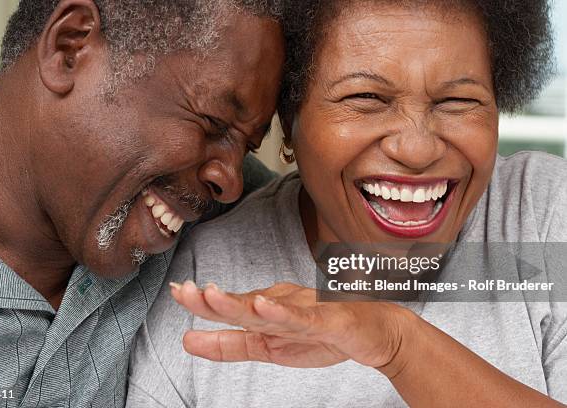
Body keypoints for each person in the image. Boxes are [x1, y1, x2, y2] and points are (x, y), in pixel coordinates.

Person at [127, 0, 567, 406]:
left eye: (458, 101)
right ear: (289, 120)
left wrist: (398, 346)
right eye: (366, 99)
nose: (417, 150)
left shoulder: (545, 215)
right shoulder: (206, 283)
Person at [0, 0, 286, 407]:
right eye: (213, 123)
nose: (230, 181)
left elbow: (368, 263)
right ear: (69, 48)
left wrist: (390, 339)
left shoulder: (205, 215)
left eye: (246, 145)